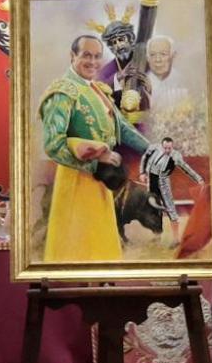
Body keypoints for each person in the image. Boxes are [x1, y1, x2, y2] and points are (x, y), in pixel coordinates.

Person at [39, 34, 150, 261]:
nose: (93, 62)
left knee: (101, 246)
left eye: (97, 56)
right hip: (76, 182)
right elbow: (53, 145)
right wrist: (95, 164)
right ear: (72, 56)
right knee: (78, 247)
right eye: (86, 55)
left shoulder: (98, 89)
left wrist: (150, 149)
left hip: (101, 182)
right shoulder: (62, 92)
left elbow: (121, 127)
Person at [139, 136, 202, 245]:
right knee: (154, 208)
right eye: (165, 148)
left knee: (170, 209)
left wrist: (198, 179)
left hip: (163, 183)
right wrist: (142, 172)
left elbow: (186, 168)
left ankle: (176, 239)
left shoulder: (175, 156)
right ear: (161, 145)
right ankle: (157, 235)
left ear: (172, 147)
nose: (167, 150)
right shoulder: (154, 148)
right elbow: (145, 157)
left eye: (169, 148)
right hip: (151, 181)